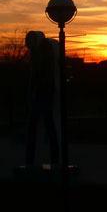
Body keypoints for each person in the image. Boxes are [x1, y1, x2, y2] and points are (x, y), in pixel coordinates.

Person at [24, 30, 60, 167]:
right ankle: (36, 160)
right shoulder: (39, 53)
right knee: (41, 126)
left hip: (44, 94)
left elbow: (42, 75)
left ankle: (49, 160)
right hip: (41, 94)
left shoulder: (44, 54)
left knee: (45, 125)